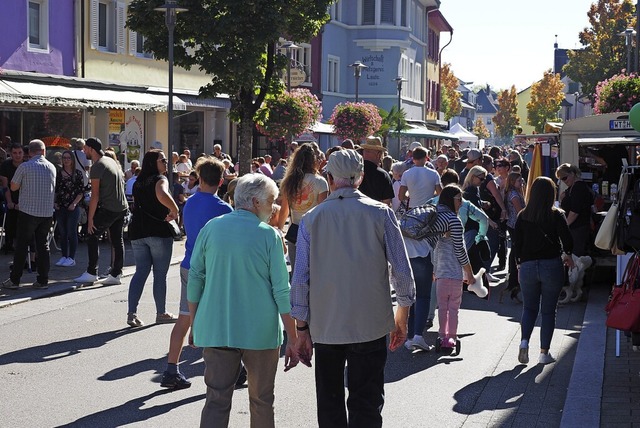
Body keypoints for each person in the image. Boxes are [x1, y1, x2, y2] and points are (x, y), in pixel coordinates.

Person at [291, 149, 416, 428]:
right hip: (369, 321)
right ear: (359, 177)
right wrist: (402, 315)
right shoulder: (381, 213)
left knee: (330, 401)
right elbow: (402, 271)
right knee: (367, 400)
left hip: (327, 323)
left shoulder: (312, 219)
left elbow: (300, 279)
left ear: (330, 177)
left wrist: (301, 329)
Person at [188, 173, 298, 427]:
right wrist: (292, 336)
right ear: (256, 203)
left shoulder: (211, 228)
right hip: (259, 333)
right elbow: (282, 291)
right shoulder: (269, 236)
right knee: (261, 400)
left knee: (216, 399)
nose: (273, 209)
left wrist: (196, 323)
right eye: (271, 202)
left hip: (217, 326)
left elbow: (195, 279)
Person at [161, 157, 233, 390]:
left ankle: (171, 368)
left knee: (184, 317)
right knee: (220, 319)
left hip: (189, 265)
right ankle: (230, 371)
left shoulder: (190, 203)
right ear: (221, 181)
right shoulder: (224, 209)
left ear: (199, 179)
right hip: (211, 268)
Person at [513, 177, 575, 365]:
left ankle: (524, 342)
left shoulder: (523, 215)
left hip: (528, 266)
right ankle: (543, 353)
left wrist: (518, 264)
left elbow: (517, 244)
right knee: (548, 311)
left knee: (529, 308)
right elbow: (567, 240)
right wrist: (568, 254)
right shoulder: (556, 215)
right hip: (551, 265)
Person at [126, 150, 180, 327]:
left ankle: (132, 312)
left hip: (137, 231)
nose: (166, 162)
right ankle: (161, 312)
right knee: (159, 274)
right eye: (162, 160)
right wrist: (175, 210)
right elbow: (162, 194)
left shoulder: (137, 183)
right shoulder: (160, 179)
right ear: (153, 163)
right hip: (158, 230)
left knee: (141, 271)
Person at [2, 140, 56, 290]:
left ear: (29, 152)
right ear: (44, 152)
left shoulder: (24, 167)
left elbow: (13, 187)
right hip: (46, 213)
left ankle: (15, 280)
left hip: (28, 212)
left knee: (21, 246)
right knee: (43, 246)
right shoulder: (52, 167)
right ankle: (43, 280)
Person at [74, 137, 128, 286]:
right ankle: (116, 274)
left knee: (91, 235)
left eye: (85, 148)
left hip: (109, 208)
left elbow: (95, 196)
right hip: (121, 207)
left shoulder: (97, 166)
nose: (83, 151)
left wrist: (90, 219)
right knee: (117, 240)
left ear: (91, 149)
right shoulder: (110, 160)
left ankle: (92, 272)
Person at [429, 184, 475, 349]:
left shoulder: (436, 218)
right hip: (454, 273)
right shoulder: (453, 220)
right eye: (459, 199)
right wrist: (469, 273)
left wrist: (434, 270)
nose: (461, 202)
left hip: (440, 272)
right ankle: (451, 338)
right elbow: (460, 250)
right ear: (451, 199)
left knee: (442, 307)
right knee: (453, 307)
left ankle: (442, 336)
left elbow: (434, 247)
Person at [277, 142, 328, 271]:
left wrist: (279, 230)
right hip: (314, 230)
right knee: (315, 272)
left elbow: (285, 209)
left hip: (294, 230)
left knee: (296, 272)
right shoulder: (321, 182)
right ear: (314, 161)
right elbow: (323, 212)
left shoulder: (289, 181)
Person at [54, 150, 85, 268]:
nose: (66, 160)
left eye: (68, 158)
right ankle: (64, 256)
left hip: (73, 207)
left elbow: (81, 191)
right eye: (64, 158)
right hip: (60, 206)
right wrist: (55, 202)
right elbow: (56, 190)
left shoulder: (77, 173)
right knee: (62, 232)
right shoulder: (58, 173)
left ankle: (72, 257)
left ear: (72, 160)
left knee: (72, 232)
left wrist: (74, 203)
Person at [556, 163, 594, 256]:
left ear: (572, 174)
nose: (564, 181)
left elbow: (575, 211)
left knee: (576, 257)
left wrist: (564, 226)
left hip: (578, 228)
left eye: (565, 178)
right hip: (576, 228)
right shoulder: (572, 187)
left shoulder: (578, 188)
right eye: (561, 179)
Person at [503, 171, 526, 302]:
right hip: (515, 224)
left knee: (515, 249)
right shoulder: (513, 195)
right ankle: (513, 275)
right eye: (519, 181)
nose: (521, 183)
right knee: (516, 249)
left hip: (514, 224)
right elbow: (520, 211)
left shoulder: (517, 192)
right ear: (512, 182)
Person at [0, 143, 24, 253]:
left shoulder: (27, 165)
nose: (17, 155)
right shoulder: (6, 165)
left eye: (20, 153)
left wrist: (21, 203)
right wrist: (10, 202)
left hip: (25, 198)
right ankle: (8, 242)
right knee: (9, 218)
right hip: (11, 196)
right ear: (10, 153)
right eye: (15, 153)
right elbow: (6, 186)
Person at [358, 136, 394, 205]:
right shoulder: (383, 175)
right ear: (379, 154)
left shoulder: (354, 171)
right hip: (376, 214)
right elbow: (386, 203)